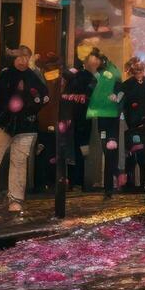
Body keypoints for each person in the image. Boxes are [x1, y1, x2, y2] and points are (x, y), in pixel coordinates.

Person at [0, 45, 49, 214]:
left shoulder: (33, 76)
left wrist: (29, 109)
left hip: (25, 126)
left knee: (19, 161)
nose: (23, 61)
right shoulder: (6, 74)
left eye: (26, 58)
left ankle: (15, 198)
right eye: (20, 57)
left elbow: (43, 96)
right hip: (6, 124)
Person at [84, 49, 126, 198]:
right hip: (102, 116)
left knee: (110, 150)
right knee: (106, 149)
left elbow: (121, 90)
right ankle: (114, 177)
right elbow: (90, 89)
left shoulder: (112, 73)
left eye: (96, 61)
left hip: (112, 116)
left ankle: (110, 185)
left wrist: (117, 97)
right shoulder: (97, 75)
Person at [118, 56, 145, 191]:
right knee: (135, 153)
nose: (139, 73)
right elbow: (123, 105)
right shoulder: (128, 85)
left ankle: (141, 183)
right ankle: (136, 183)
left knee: (139, 154)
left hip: (144, 125)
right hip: (137, 125)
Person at [61, 51, 96, 190]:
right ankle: (80, 181)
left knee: (71, 149)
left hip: (71, 118)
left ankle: (72, 180)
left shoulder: (71, 78)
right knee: (82, 149)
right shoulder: (91, 79)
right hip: (83, 119)